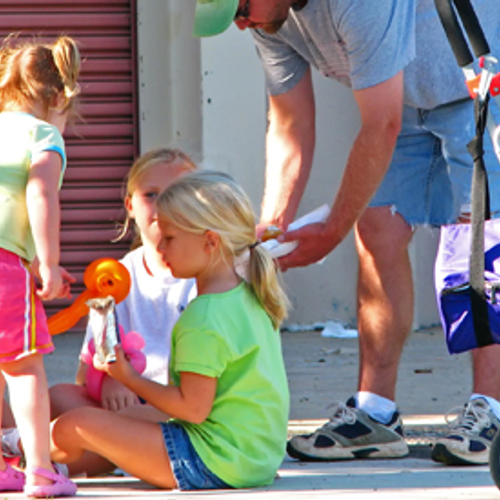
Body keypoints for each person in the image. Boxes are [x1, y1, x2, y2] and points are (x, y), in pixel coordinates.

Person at [191, 0, 500, 466]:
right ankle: (376, 414)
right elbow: (290, 124)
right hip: (405, 99)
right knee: (376, 231)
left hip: (479, 86)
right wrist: (272, 230)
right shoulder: (266, 19)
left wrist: (331, 229)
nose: (240, 22)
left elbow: (381, 125)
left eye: (241, 7)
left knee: (477, 241)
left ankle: (492, 409)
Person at [48, 170, 290, 490]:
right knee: (129, 420)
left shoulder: (204, 317)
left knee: (76, 424)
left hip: (210, 461)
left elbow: (191, 409)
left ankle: (21, 451)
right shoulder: (250, 296)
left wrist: (127, 377)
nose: (160, 247)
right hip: (251, 457)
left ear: (210, 241)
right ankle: (52, 468)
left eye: (170, 238)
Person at [1, 148, 198, 478]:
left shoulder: (203, 274)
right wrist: (108, 380)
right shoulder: (114, 275)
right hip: (125, 402)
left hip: (178, 405)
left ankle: (27, 453)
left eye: (178, 194)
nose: (164, 206)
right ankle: (40, 455)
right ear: (130, 206)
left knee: (92, 428)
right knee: (61, 397)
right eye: (151, 194)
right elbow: (88, 367)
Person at [0, 36, 80, 496]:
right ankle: (40, 471)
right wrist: (47, 264)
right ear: (57, 99)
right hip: (5, 268)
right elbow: (39, 194)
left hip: (11, 262)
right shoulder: (43, 134)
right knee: (24, 368)